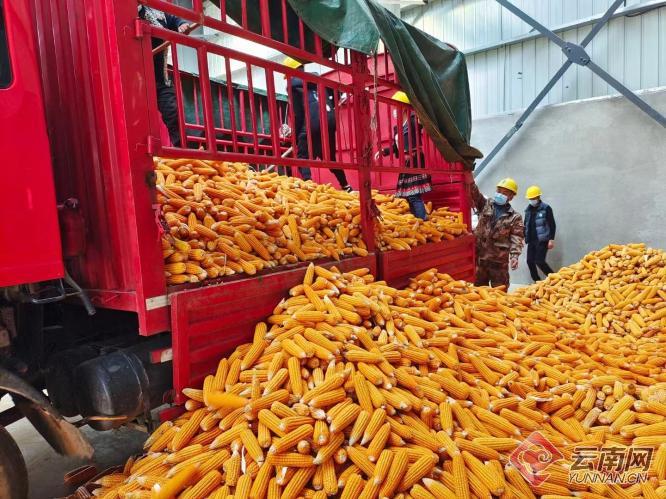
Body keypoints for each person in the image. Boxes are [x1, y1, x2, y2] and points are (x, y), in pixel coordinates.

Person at [283, 57, 352, 192]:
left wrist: (295, 137)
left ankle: (309, 186)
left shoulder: (293, 87)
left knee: (302, 156)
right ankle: (346, 186)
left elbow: (298, 115)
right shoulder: (318, 80)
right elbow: (336, 95)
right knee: (330, 158)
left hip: (312, 122)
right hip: (329, 121)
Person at [138, 6, 193, 147]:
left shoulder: (157, 10)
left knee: (172, 114)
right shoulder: (128, 10)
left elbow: (174, 20)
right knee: (140, 122)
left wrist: (181, 24)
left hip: (161, 80)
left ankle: (179, 152)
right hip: (137, 83)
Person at [376, 91, 432, 220]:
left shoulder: (413, 121)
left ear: (404, 108)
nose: (394, 110)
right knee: (408, 195)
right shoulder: (398, 128)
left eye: (396, 106)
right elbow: (396, 146)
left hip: (415, 160)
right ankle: (417, 219)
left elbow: (423, 121)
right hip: (406, 163)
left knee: (414, 194)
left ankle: (422, 219)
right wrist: (383, 151)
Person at [465, 173, 524, 288]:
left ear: (511, 197)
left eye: (504, 193)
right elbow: (475, 194)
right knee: (479, 292)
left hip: (498, 263)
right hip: (480, 259)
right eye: (499, 191)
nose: (500, 194)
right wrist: (470, 181)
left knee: (499, 292)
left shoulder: (515, 217)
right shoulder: (485, 204)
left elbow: (517, 237)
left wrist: (515, 256)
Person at [524, 185, 556, 282]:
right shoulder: (528, 210)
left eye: (533, 198)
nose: (532, 200)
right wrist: (523, 236)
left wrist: (551, 239)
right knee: (529, 261)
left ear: (538, 197)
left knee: (539, 261)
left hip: (542, 240)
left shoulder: (546, 208)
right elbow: (525, 224)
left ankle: (555, 279)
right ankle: (537, 282)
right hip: (531, 240)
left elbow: (552, 224)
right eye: (530, 198)